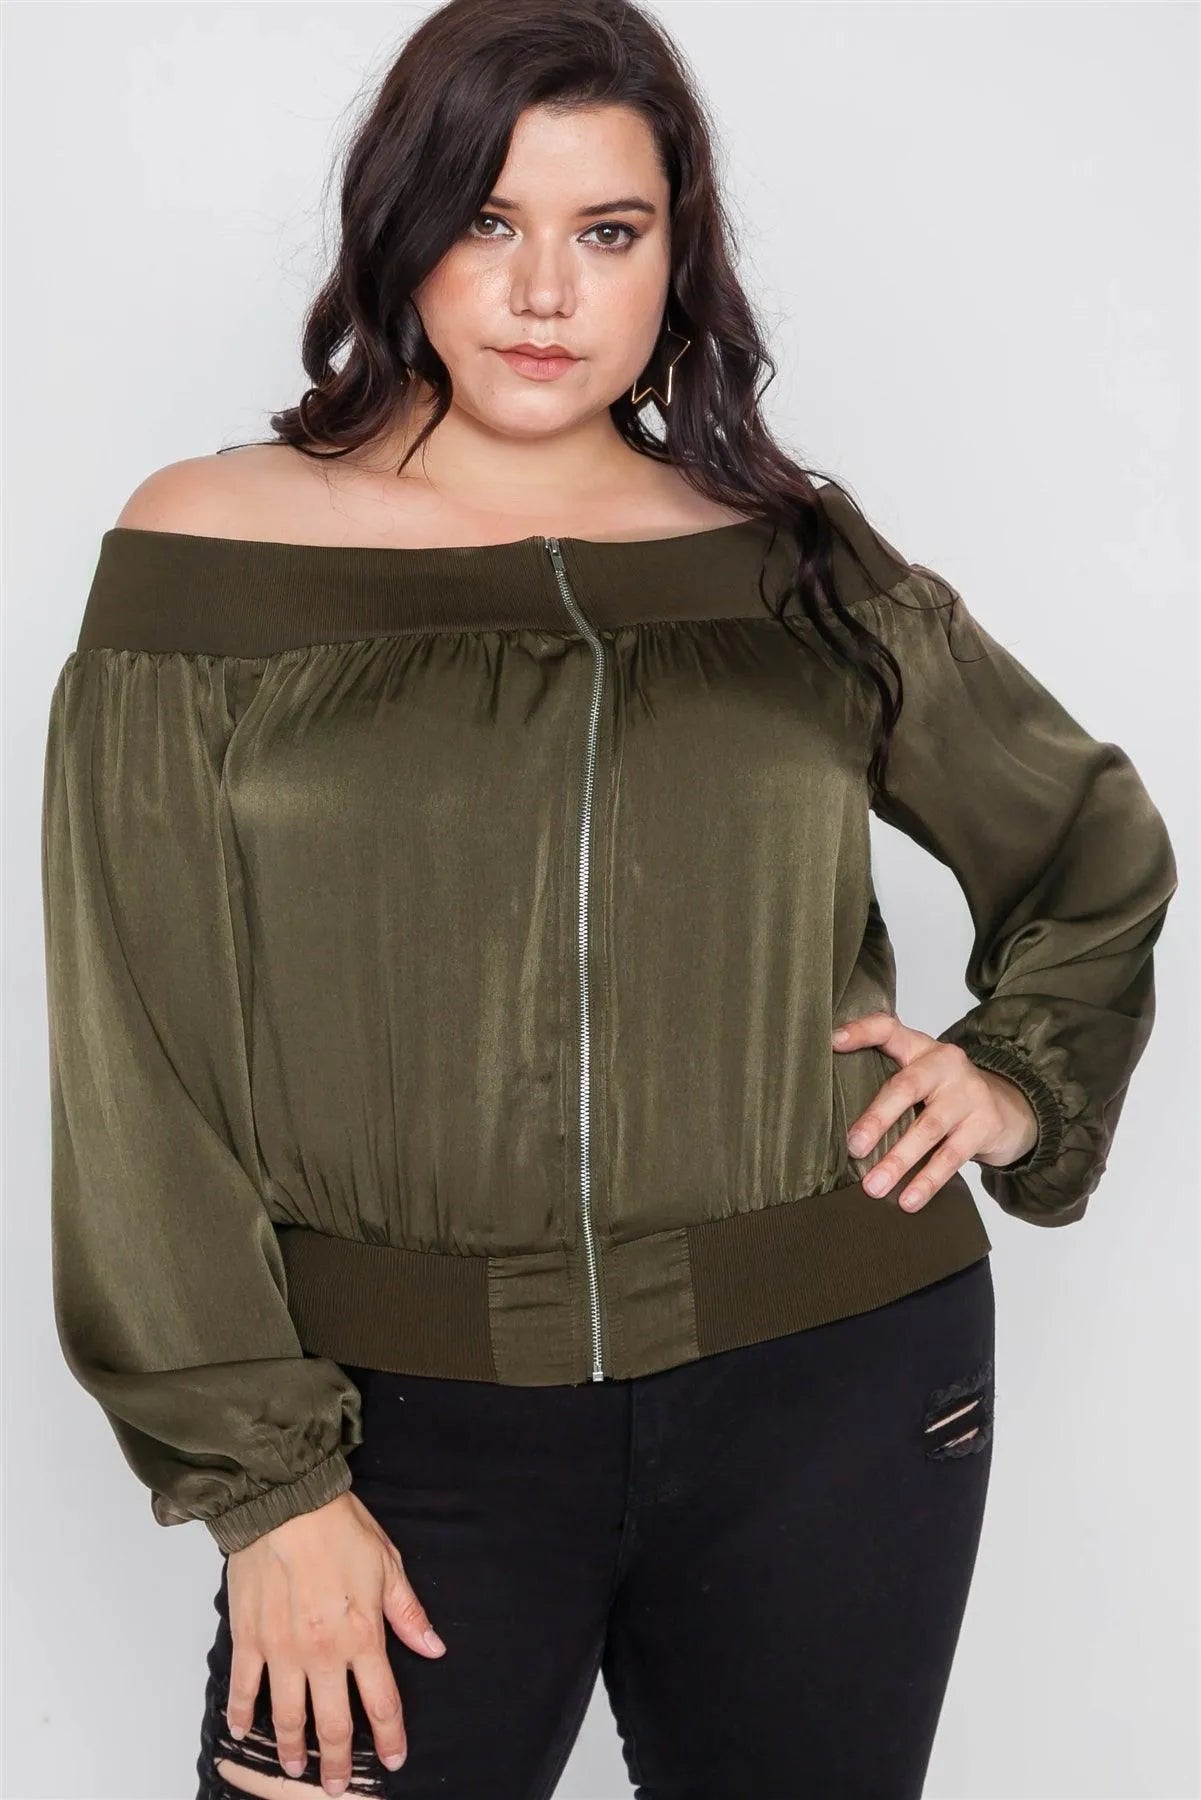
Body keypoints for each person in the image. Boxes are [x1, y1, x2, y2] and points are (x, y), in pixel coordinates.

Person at [38, 2, 1178, 1797]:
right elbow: (137, 1055)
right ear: (402, 228)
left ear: (675, 257)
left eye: (608, 230)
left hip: (837, 1386)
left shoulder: (788, 561)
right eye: (489, 219)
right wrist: (267, 1490)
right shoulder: (210, 549)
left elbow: (1087, 843)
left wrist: (1017, 1073)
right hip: (396, 1436)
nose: (542, 291)